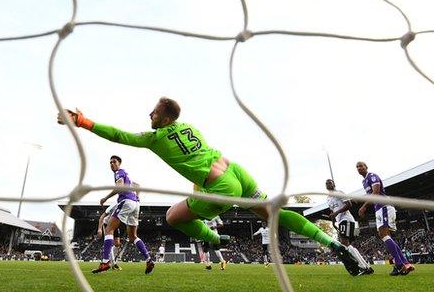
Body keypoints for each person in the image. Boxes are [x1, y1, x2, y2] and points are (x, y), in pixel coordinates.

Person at [57, 97, 361, 275]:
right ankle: (335, 245)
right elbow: (195, 159)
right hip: (236, 170)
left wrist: (82, 121)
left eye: (153, 112)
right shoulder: (189, 127)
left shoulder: (155, 137)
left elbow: (119, 136)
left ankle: (215, 240)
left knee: (173, 217)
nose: (149, 114)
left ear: (163, 118)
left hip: (221, 188)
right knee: (273, 213)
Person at [92, 155, 154, 274]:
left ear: (119, 163)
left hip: (125, 201)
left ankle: (105, 262)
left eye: (114, 162)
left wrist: (105, 198)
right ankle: (149, 260)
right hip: (135, 204)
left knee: (109, 229)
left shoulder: (119, 173)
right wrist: (137, 197)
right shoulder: (127, 176)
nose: (112, 164)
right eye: (110, 163)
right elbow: (137, 185)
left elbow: (119, 187)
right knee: (132, 237)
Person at [356, 162, 414, 275]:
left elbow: (376, 192)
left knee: (383, 235)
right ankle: (405, 263)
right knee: (386, 236)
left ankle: (399, 265)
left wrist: (363, 206)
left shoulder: (372, 176)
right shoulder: (364, 182)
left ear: (366, 167)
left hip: (383, 207)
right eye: (357, 167)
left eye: (361, 166)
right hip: (381, 208)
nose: (359, 168)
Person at [325, 179, 372, 274]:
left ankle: (363, 266)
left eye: (330, 182)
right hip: (340, 221)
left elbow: (349, 204)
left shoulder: (339, 193)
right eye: (327, 183)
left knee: (344, 243)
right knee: (347, 244)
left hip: (346, 219)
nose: (328, 184)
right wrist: (334, 222)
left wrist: (337, 213)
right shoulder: (328, 199)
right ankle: (366, 266)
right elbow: (332, 211)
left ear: (334, 184)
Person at [96, 203, 124, 270]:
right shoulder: (114, 205)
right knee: (110, 243)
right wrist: (99, 229)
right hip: (107, 224)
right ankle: (114, 264)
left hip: (115, 225)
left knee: (117, 244)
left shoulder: (127, 208)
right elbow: (102, 216)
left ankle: (111, 261)